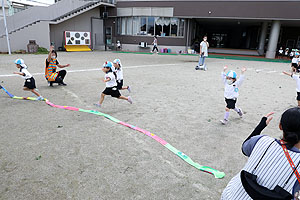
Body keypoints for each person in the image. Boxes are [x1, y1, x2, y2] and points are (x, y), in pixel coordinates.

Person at [221, 108, 300, 200]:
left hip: (231, 196)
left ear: (280, 126)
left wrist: (261, 126)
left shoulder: (261, 140)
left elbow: (244, 148)